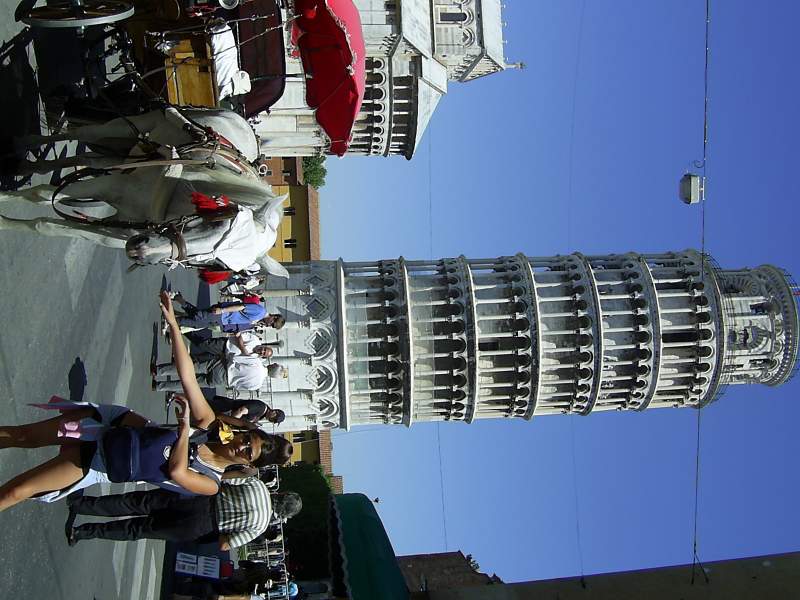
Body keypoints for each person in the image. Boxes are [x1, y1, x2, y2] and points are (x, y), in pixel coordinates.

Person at [0, 291, 277, 512]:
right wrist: (174, 325)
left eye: (248, 452)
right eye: (246, 439)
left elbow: (178, 472)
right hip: (113, 425)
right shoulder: (209, 425)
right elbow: (188, 378)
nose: (241, 445)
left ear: (246, 464)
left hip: (103, 464)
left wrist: (184, 429)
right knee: (23, 436)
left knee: (17, 491)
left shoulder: (211, 483)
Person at [65, 481, 302, 546]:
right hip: (201, 528)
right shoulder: (260, 527)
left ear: (281, 495)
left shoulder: (258, 485)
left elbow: (225, 480)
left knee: (138, 502)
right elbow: (225, 545)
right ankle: (81, 533)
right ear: (283, 515)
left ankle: (81, 504)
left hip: (198, 499)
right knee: (137, 530)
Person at [154, 331, 275, 392]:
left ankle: (159, 371)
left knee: (190, 367)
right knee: (190, 384)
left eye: (264, 353)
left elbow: (235, 359)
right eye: (264, 350)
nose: (262, 352)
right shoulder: (257, 385)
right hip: (224, 380)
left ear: (271, 364)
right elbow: (239, 386)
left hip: (222, 367)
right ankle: (159, 386)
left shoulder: (256, 362)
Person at [171, 292, 285, 335]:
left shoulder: (260, 318)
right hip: (223, 315)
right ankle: (172, 319)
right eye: (272, 324)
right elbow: (241, 307)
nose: (269, 325)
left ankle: (178, 299)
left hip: (223, 320)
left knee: (197, 319)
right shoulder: (260, 311)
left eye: (272, 326)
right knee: (197, 318)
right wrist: (222, 310)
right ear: (274, 317)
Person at [208, 396, 286, 425]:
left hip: (221, 415)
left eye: (274, 421)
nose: (272, 421)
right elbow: (241, 410)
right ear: (275, 412)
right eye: (274, 419)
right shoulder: (261, 407)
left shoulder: (261, 415)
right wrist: (230, 422)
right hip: (224, 408)